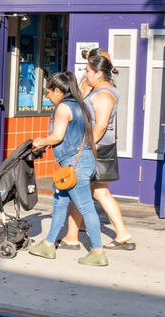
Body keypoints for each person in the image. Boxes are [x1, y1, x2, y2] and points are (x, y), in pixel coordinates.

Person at [27, 72, 107, 266]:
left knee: (86, 207)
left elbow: (57, 136)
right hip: (79, 162)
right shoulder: (81, 105)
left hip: (74, 165)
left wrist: (40, 141)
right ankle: (48, 244)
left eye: (48, 92)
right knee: (60, 202)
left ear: (57, 90)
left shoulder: (63, 107)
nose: (47, 96)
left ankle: (98, 252)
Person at [59, 53, 134, 250]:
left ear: (100, 73)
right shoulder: (100, 89)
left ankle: (73, 236)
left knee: (86, 190)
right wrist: (85, 84)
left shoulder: (104, 94)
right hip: (95, 146)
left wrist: (83, 148)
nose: (85, 74)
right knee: (94, 191)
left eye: (88, 71)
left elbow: (100, 126)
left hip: (96, 148)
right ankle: (75, 235)